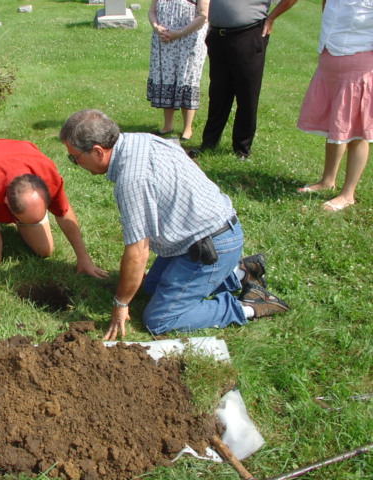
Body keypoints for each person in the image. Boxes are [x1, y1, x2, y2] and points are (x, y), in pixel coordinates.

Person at [60, 109, 289, 340]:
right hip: (201, 236)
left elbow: (138, 253)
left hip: (211, 245)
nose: (75, 163)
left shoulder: (132, 180)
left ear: (98, 151)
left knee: (160, 319)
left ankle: (250, 306)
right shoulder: (140, 140)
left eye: (75, 158)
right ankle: (241, 273)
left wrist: (120, 304)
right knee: (149, 288)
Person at [0, 139, 108, 329]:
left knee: (44, 250)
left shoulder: (47, 175)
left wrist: (84, 259)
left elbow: (64, 213)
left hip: (14, 173)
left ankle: (26, 221)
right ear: (7, 203)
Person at [189, 0, 297, 160]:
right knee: (218, 93)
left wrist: (271, 18)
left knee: (247, 94)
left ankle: (241, 148)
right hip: (218, 36)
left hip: (248, 34)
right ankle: (209, 143)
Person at [296, 0, 373, 212]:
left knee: (357, 133)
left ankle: (348, 194)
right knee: (335, 126)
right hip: (330, 64)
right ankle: (327, 180)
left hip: (359, 71)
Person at [146, 0, 209, 142]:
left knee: (186, 80)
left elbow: (203, 16)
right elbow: (152, 11)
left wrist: (180, 33)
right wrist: (156, 26)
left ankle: (187, 128)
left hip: (188, 41)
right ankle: (167, 125)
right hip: (164, 41)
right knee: (166, 79)